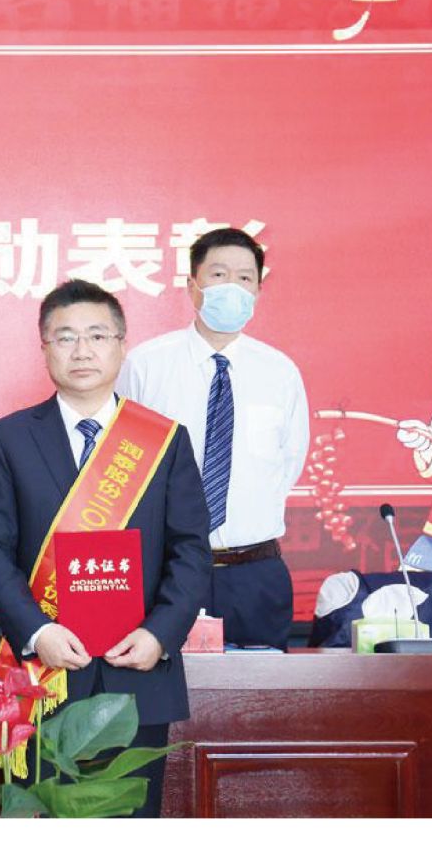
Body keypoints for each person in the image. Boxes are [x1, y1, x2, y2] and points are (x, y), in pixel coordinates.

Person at [0, 279, 210, 818]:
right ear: (45, 349)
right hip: (45, 675)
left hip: (139, 673)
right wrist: (37, 632)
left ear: (122, 346)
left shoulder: (163, 441)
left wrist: (160, 635)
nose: (82, 350)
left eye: (97, 336)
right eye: (66, 337)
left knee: (130, 835)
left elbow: (191, 551)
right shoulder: (8, 439)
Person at [116, 228, 307, 649]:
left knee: (262, 687)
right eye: (219, 275)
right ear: (192, 286)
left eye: (244, 278)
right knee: (165, 682)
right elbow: (122, 464)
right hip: (168, 569)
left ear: (258, 290)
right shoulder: (146, 365)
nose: (232, 287)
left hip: (255, 571)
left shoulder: (280, 372)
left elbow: (288, 463)